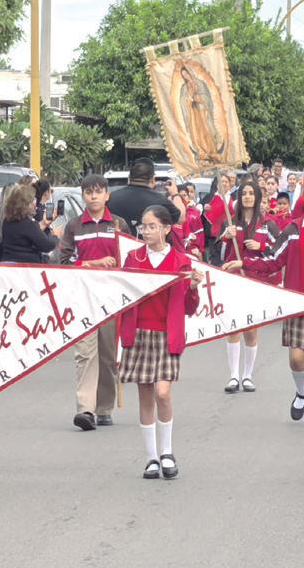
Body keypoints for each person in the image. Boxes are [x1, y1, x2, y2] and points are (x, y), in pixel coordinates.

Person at [118, 204, 201, 480]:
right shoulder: (134, 258)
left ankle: (167, 451)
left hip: (167, 334)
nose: (146, 231)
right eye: (143, 226)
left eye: (152, 226)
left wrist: (193, 287)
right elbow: (123, 296)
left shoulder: (181, 261)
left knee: (162, 393)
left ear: (166, 229)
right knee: (145, 395)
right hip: (139, 332)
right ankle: (151, 457)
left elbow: (189, 307)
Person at [250, 179, 304, 426]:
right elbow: (274, 260)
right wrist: (245, 264)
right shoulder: (294, 229)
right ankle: (301, 391)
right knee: (297, 358)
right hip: (299, 302)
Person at [52, 174, 128, 432]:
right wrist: (92, 264)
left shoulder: (118, 224)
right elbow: (64, 263)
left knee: (107, 355)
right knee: (85, 354)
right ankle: (85, 409)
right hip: (83, 299)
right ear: (83, 196)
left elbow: (130, 260)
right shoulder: (74, 226)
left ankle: (104, 407)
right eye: (88, 192)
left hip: (111, 300)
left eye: (98, 191)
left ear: (107, 195)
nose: (93, 196)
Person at [218, 178, 274, 392]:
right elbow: (221, 253)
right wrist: (226, 236)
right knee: (233, 326)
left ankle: (247, 375)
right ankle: (233, 375)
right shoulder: (230, 222)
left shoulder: (267, 224)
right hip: (233, 280)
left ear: (257, 197)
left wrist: (262, 245)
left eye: (251, 193)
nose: (247, 197)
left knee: (251, 329)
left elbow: (278, 252)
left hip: (255, 281)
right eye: (244, 193)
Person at [108, 157, 180, 235]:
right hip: (150, 243)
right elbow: (180, 218)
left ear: (129, 178)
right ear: (152, 179)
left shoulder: (110, 199)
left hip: (117, 242)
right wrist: (175, 194)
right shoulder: (161, 201)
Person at [0, 183, 59, 263]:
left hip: (9, 263)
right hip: (26, 266)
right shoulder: (28, 224)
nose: (35, 203)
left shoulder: (7, 221)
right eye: (33, 200)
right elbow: (46, 246)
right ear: (25, 204)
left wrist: (44, 223)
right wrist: (54, 236)